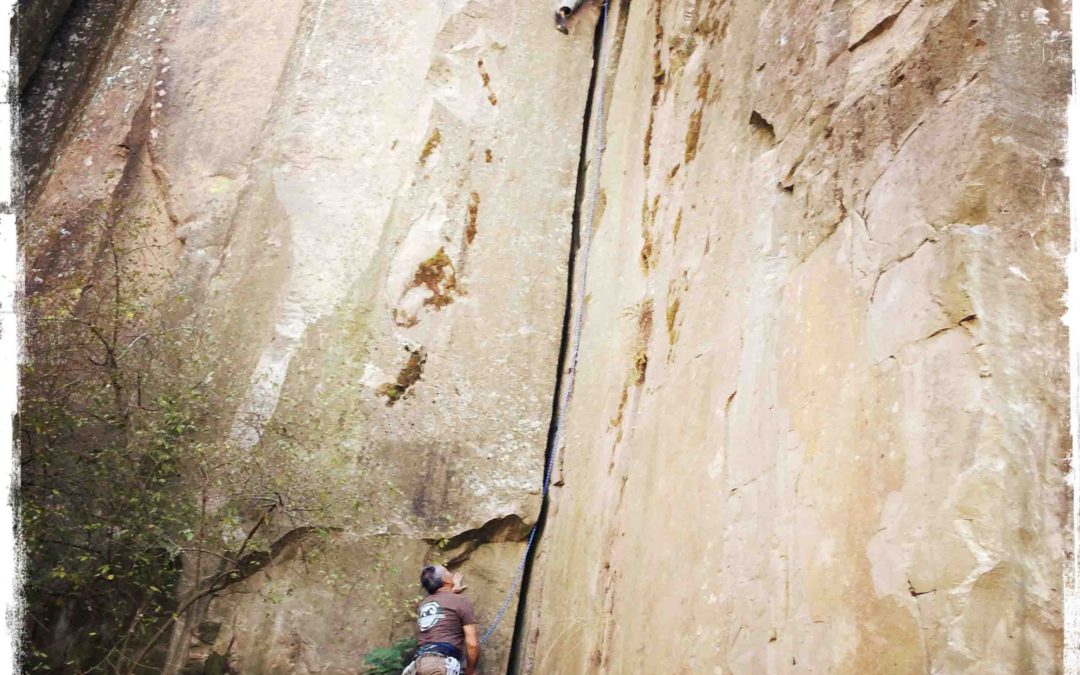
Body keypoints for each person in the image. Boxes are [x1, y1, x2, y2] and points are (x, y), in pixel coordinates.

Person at [403, 565, 479, 675]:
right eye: (448, 572)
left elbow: (443, 606)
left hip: (418, 664)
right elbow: (472, 644)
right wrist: (470, 670)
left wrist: (452, 591)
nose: (451, 574)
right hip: (441, 665)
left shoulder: (424, 604)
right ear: (446, 580)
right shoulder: (460, 601)